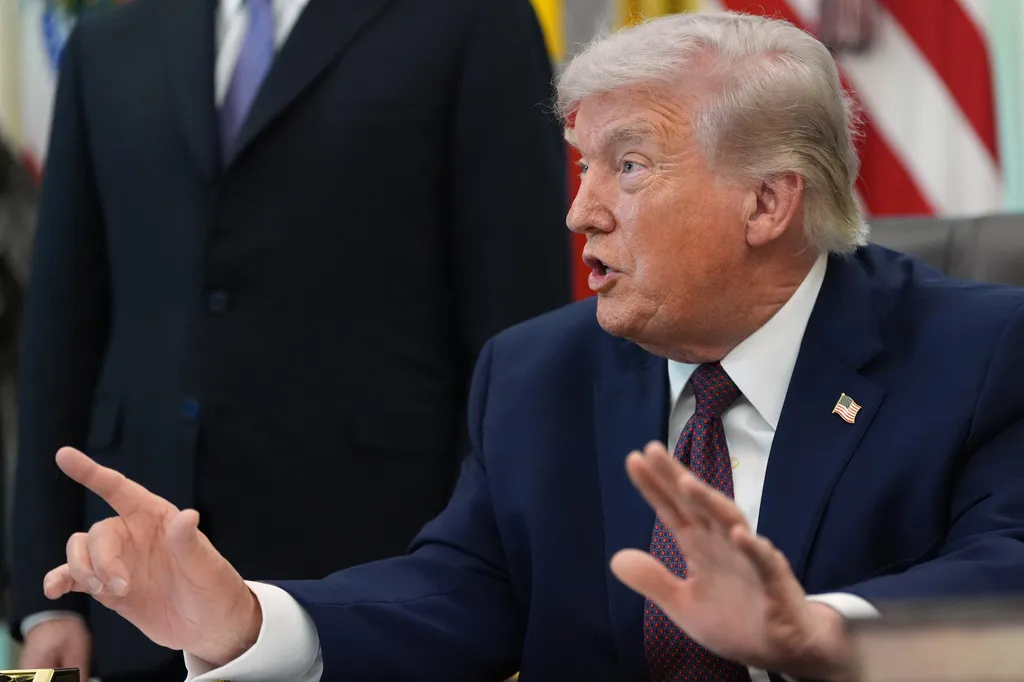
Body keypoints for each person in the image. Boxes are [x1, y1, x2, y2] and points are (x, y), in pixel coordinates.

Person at [37, 10, 1024, 682]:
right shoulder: (538, 371)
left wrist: (814, 629)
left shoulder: (974, 353)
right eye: (580, 164)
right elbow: (461, 589)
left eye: (626, 167)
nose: (578, 212)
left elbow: (1006, 580)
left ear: (767, 200)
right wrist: (247, 621)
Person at [11, 0, 571, 680]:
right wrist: (46, 599)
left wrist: (504, 565)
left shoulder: (472, 21)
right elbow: (62, 326)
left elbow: (517, 314)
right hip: (133, 585)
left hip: (380, 569)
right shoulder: (109, 41)